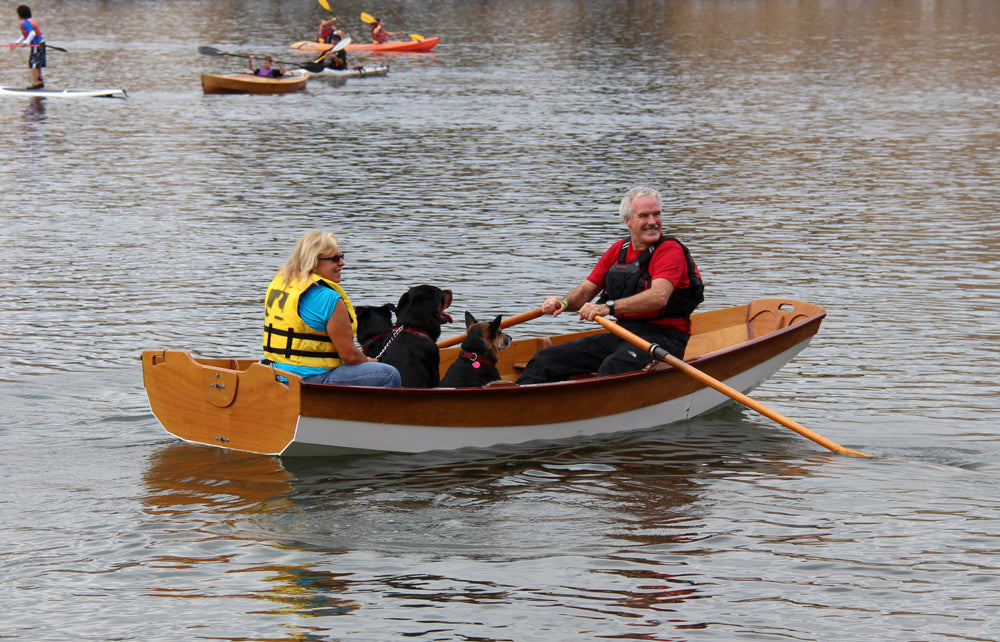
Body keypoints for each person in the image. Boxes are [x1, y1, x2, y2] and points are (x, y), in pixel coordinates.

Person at [516, 186, 704, 384]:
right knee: (546, 359)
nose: (652, 222)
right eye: (644, 216)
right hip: (621, 334)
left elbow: (659, 296)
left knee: (613, 368)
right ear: (628, 220)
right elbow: (584, 292)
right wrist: (562, 303)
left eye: (656, 214)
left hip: (665, 340)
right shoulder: (618, 250)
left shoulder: (670, 251)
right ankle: (516, 408)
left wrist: (607, 307)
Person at [262, 230, 402, 387]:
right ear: (313, 261)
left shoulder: (282, 284)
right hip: (306, 378)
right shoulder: (328, 298)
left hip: (274, 370)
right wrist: (369, 361)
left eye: (341, 257)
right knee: (389, 375)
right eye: (335, 259)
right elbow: (350, 356)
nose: (342, 263)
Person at [13, 5, 45, 90]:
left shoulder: (26, 23)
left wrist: (25, 43)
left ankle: (36, 83)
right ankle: (40, 81)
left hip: (36, 45)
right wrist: (17, 42)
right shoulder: (30, 21)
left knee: (33, 64)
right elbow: (25, 35)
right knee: (38, 64)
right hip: (41, 43)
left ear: (20, 15)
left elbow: (32, 34)